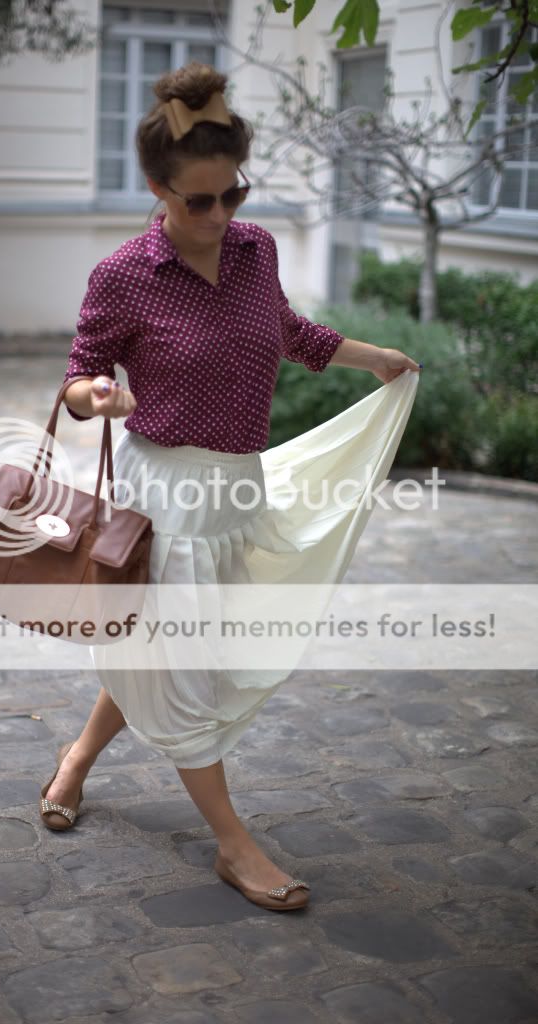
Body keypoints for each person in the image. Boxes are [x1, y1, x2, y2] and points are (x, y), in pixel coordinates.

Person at [39, 62, 421, 911]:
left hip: (237, 496)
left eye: (233, 195)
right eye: (198, 201)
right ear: (157, 189)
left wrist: (375, 360)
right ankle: (234, 845)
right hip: (164, 500)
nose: (218, 216)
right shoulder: (124, 274)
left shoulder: (255, 251)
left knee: (159, 654)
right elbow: (78, 378)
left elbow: (287, 331)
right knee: (182, 672)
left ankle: (76, 759)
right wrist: (96, 396)